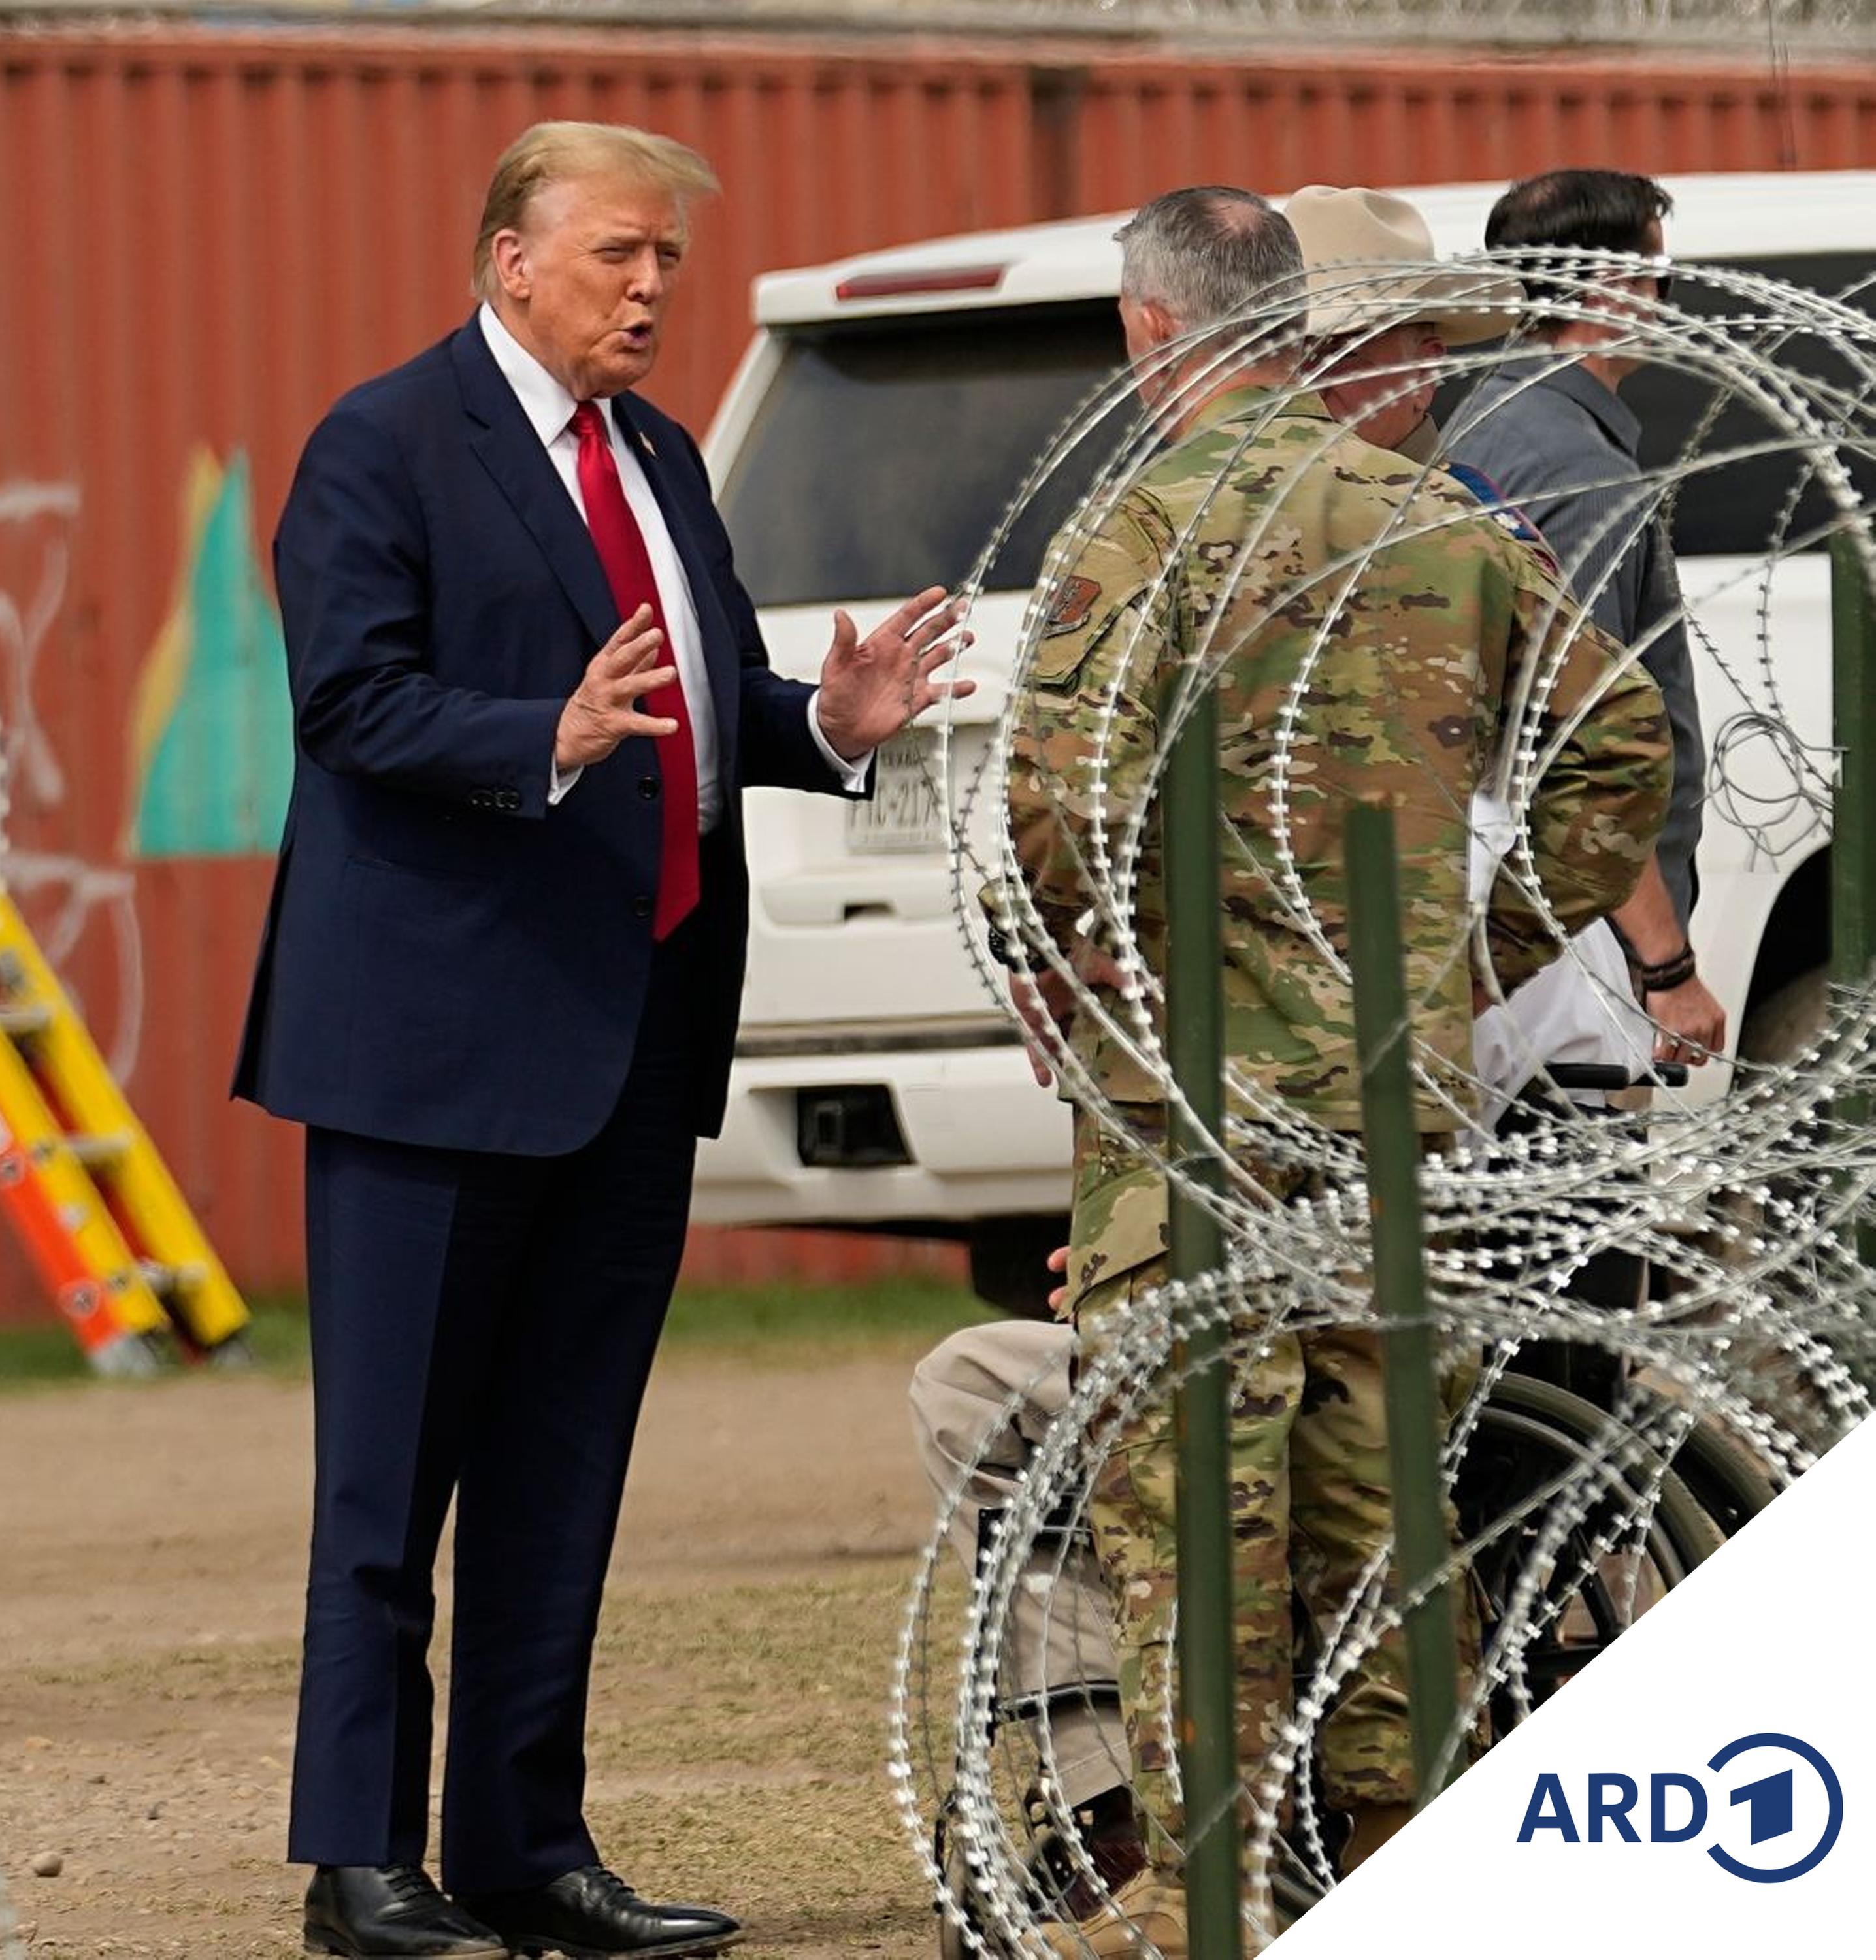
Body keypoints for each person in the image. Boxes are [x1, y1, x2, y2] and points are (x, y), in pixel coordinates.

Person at [233, 121, 969, 1960]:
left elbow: (691, 707)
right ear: (513, 260)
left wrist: (828, 721)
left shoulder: (657, 456)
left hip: (633, 1040)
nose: (651, 290)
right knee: (391, 1484)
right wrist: (534, 737)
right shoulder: (384, 442)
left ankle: (526, 1851)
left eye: (667, 262)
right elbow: (349, 700)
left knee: (562, 1474)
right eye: (619, 255)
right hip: (434, 1048)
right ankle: (357, 1866)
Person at [1004, 185, 1673, 1957]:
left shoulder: (1147, 525)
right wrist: (1477, 958)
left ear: (1152, 332)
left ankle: (1212, 1898)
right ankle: (1400, 1867)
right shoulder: (1438, 515)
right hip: (1387, 1097)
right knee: (1385, 1507)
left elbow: (1052, 808)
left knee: (1196, 1512)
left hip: (1195, 1111)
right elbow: (1622, 740)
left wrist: (1072, 950)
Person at [1445, 167, 1727, 1073]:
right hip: (1573, 938)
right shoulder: (1573, 465)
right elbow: (1579, 739)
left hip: (1527, 910)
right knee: (1575, 1152)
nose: (1665, 302)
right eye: (1659, 277)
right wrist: (1663, 963)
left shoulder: (1492, 420)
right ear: (1612, 289)